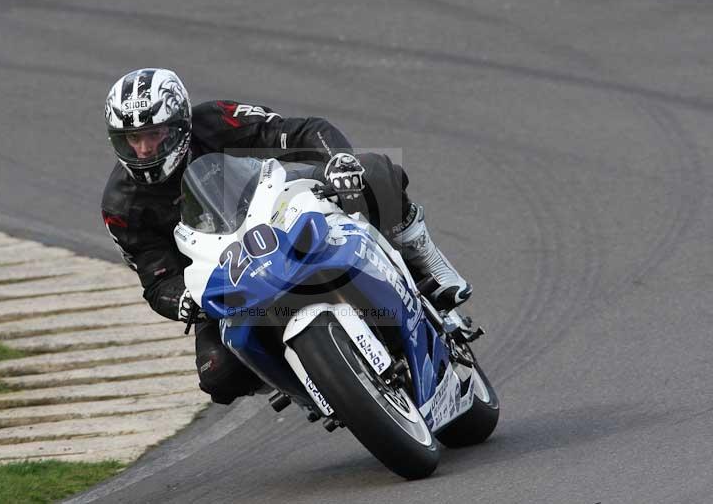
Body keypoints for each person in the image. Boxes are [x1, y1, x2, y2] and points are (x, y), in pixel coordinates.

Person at [101, 68, 471, 405]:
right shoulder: (120, 205)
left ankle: (426, 260)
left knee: (371, 170)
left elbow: (300, 130)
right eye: (133, 138)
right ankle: (307, 375)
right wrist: (181, 300)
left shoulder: (215, 121)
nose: (145, 149)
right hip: (225, 279)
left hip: (280, 218)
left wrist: (338, 161)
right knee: (218, 376)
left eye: (153, 134)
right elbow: (155, 278)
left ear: (180, 126)